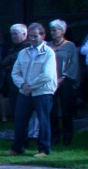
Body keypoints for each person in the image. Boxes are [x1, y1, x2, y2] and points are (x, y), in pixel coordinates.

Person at [11, 22, 57, 157]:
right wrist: (22, 85)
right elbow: (15, 72)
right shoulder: (23, 52)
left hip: (42, 92)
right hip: (24, 91)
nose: (32, 39)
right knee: (20, 119)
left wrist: (31, 86)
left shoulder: (48, 52)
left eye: (35, 36)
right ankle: (18, 148)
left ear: (43, 36)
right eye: (30, 36)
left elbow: (47, 75)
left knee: (43, 120)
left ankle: (44, 149)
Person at [48, 19, 80, 147]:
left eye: (55, 30)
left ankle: (67, 136)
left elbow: (74, 64)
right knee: (52, 110)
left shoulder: (70, 46)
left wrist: (63, 77)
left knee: (66, 109)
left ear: (62, 31)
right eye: (51, 30)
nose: (52, 32)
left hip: (65, 81)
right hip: (50, 81)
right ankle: (54, 136)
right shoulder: (48, 45)